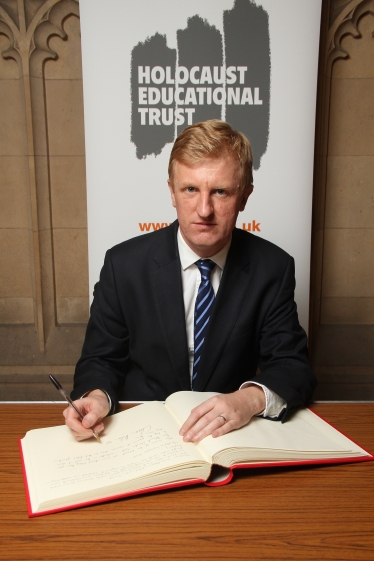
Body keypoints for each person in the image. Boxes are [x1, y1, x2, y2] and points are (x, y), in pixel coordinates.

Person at [64, 119, 316, 443]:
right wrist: (97, 397)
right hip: (140, 435)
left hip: (227, 437)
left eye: (221, 192)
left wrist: (248, 399)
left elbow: (293, 367)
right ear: (172, 191)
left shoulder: (273, 268)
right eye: (190, 189)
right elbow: (100, 360)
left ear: (244, 197)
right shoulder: (123, 265)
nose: (204, 209)